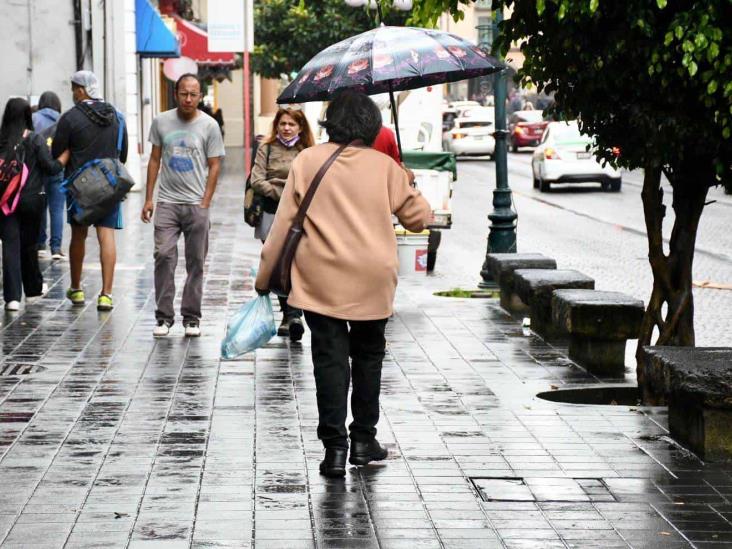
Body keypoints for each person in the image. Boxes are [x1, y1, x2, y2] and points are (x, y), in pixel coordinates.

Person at [254, 91, 431, 477]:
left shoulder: (307, 161)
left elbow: (282, 226)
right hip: (373, 279)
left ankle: (334, 449)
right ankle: (364, 441)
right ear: (371, 125)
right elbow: (421, 219)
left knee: (330, 362)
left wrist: (264, 277)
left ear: (330, 122)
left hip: (321, 282)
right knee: (369, 358)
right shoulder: (385, 167)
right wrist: (407, 181)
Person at [141, 73, 225, 338]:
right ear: (176, 94)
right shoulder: (161, 121)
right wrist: (148, 198)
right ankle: (164, 317)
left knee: (196, 262)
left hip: (196, 204)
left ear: (200, 96)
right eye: (184, 93)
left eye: (194, 94)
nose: (188, 98)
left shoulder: (209, 126)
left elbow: (215, 165)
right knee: (164, 256)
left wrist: (205, 202)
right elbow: (155, 160)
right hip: (167, 201)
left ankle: (191, 317)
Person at [51, 70, 128, 311]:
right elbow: (122, 154)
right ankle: (106, 294)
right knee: (107, 236)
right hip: (109, 186)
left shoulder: (70, 118)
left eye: (74, 88)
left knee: (78, 236)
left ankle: (76, 289)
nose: (73, 93)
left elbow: (57, 154)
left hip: (79, 187)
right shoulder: (116, 116)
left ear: (81, 90)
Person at [249, 107, 314, 342]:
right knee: (277, 263)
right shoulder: (266, 148)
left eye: (291, 124)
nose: (286, 128)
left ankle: (293, 314)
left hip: (299, 214)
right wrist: (282, 191)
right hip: (271, 213)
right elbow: (256, 179)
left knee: (296, 262)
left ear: (300, 127)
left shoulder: (307, 151)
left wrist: (289, 191)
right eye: (282, 124)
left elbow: (311, 181)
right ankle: (289, 314)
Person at [0, 98, 67, 311]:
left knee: (10, 246)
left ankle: (11, 298)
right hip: (32, 200)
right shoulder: (35, 140)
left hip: (5, 202)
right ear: (28, 115)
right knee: (29, 246)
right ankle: (32, 290)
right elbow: (51, 168)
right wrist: (66, 156)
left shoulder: (1, 140)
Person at [32, 91, 66, 260]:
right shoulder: (64, 119)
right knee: (57, 209)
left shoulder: (33, 118)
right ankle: (56, 248)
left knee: (40, 206)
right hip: (58, 168)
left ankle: (40, 245)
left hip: (38, 169)